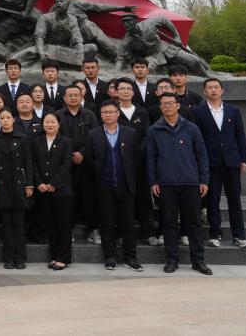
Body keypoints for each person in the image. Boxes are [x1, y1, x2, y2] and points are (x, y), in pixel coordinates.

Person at [147, 92, 212, 275]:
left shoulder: (191, 128)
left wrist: (203, 180)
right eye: (164, 104)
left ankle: (198, 260)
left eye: (170, 103)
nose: (167, 106)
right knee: (168, 223)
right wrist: (153, 181)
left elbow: (201, 155)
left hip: (190, 183)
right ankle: (171, 260)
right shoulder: (154, 130)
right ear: (160, 107)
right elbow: (151, 158)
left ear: (178, 105)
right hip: (165, 184)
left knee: (194, 223)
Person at [192, 78, 246, 249]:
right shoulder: (198, 112)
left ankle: (239, 235)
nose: (213, 90)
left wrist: (243, 159)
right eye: (209, 88)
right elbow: (197, 139)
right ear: (205, 91)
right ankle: (215, 234)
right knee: (213, 200)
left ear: (222, 90)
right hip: (211, 163)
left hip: (232, 162)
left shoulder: (233, 111)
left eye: (216, 87)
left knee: (235, 200)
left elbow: (240, 136)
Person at [84, 100, 143, 272]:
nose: (108, 115)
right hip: (104, 185)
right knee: (107, 223)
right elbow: (89, 160)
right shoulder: (93, 134)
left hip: (126, 185)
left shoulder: (130, 133)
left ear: (118, 114)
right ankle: (110, 257)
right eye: (104, 112)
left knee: (128, 223)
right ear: (100, 115)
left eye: (111, 112)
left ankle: (130, 257)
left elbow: (136, 158)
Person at [0, 109, 33, 269]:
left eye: (8, 117)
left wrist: (29, 184)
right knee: (6, 225)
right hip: (2, 185)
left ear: (13, 119)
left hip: (19, 184)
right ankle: (8, 258)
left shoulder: (22, 138)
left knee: (19, 225)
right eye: (2, 118)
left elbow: (28, 162)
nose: (5, 120)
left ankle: (20, 257)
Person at [114, 78, 156, 245]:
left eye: (128, 89)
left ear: (133, 92)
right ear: (116, 92)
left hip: (139, 163)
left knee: (144, 199)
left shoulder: (142, 112)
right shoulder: (113, 111)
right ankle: (122, 233)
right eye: (122, 89)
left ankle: (149, 233)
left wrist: (137, 153)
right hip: (119, 163)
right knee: (122, 201)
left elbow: (146, 136)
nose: (125, 92)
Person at [57, 85, 100, 245]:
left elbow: (95, 136)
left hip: (86, 163)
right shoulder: (58, 115)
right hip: (65, 165)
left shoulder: (90, 115)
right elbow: (55, 137)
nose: (73, 97)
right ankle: (68, 230)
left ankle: (92, 230)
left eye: (77, 95)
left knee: (90, 198)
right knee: (68, 199)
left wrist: (82, 153)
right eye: (70, 95)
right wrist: (70, 155)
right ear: (64, 98)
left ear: (82, 97)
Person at [30, 113, 72, 270]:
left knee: (63, 225)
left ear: (59, 124)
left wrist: (54, 183)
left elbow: (66, 165)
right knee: (50, 224)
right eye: (47, 122)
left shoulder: (66, 141)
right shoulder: (36, 141)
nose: (50, 124)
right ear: (42, 124)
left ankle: (64, 258)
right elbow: (33, 164)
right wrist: (39, 183)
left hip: (62, 190)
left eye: (53, 122)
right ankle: (55, 256)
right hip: (43, 190)